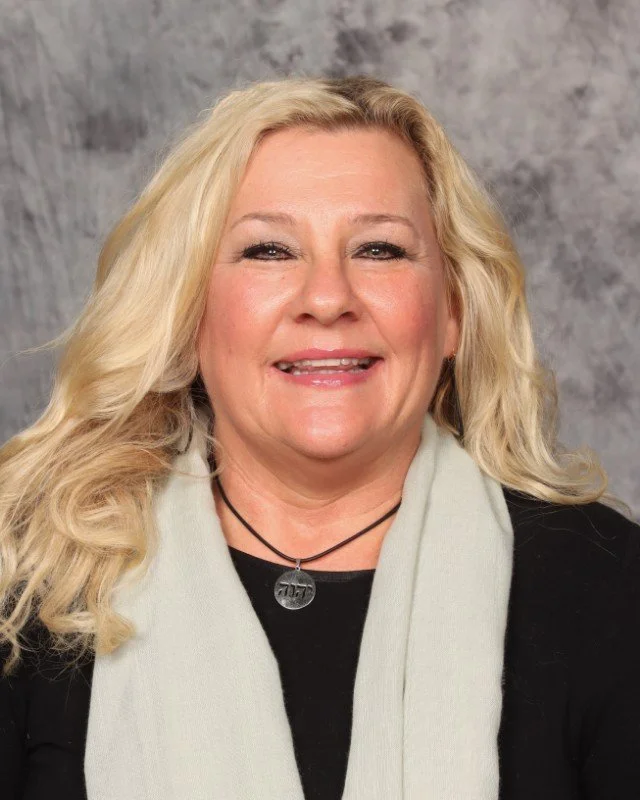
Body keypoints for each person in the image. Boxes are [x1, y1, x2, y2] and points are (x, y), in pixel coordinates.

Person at [0, 74, 638, 800]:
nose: (328, 298)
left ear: (453, 313)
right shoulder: (34, 592)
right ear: (187, 316)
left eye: (380, 250)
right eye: (269, 251)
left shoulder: (609, 588)